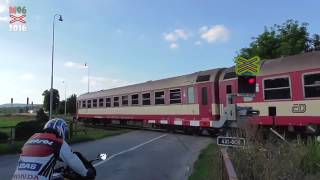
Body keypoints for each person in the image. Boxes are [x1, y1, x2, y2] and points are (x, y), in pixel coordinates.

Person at [12, 118, 94, 180]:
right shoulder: (57, 141)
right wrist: (86, 173)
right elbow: (72, 159)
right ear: (61, 130)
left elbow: (36, 160)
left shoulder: (32, 138)